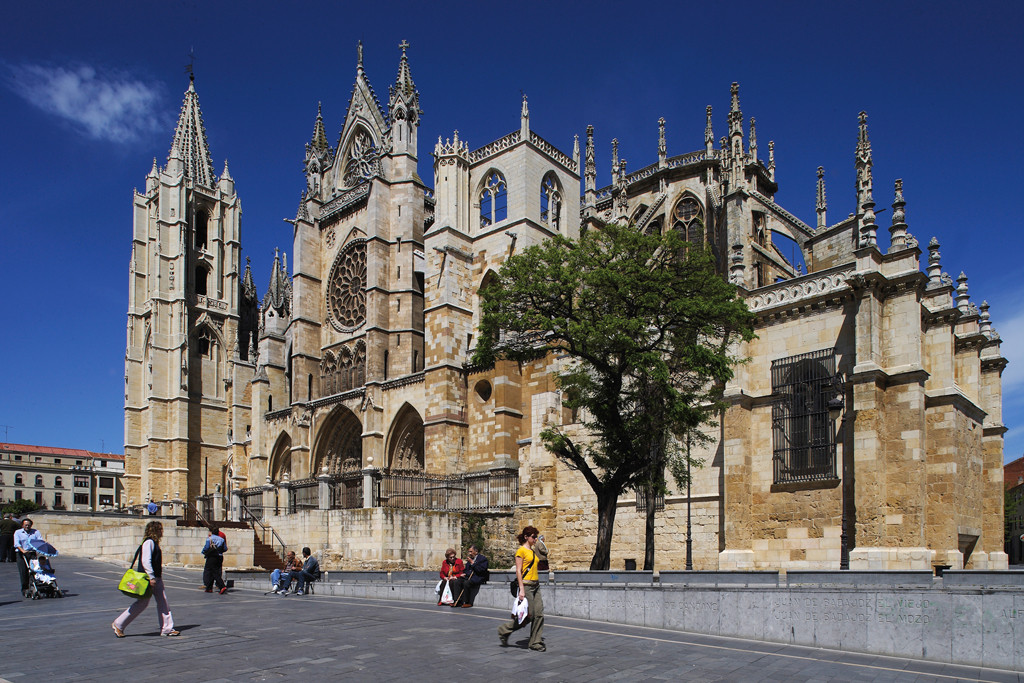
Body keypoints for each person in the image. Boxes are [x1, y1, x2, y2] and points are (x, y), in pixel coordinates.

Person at [112, 521, 179, 637]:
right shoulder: (149, 542)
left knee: (161, 602)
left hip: (155, 578)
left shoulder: (153, 543)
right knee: (144, 603)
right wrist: (152, 577)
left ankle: (167, 628)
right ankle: (119, 624)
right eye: (159, 530)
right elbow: (145, 561)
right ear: (155, 531)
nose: (161, 532)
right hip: (150, 579)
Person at [497, 525, 546, 651]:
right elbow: (518, 571)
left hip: (536, 585)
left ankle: (535, 642)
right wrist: (522, 589)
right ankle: (505, 630)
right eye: (533, 537)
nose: (535, 539)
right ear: (526, 537)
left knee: (539, 614)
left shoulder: (533, 552)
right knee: (529, 616)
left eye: (536, 537)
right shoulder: (521, 551)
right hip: (527, 585)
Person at [13, 518, 41, 597]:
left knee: (34, 570)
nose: (27, 526)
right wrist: (22, 550)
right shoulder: (18, 532)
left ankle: (34, 586)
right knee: (23, 571)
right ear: (22, 525)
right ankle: (25, 588)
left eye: (29, 525)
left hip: (32, 553)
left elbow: (39, 541)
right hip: (21, 554)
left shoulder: (35, 532)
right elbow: (17, 544)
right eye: (25, 525)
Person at [201, 526, 228, 594]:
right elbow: (225, 548)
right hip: (220, 556)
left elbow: (206, 548)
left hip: (212, 557)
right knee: (215, 570)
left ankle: (222, 586)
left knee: (211, 571)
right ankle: (209, 588)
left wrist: (203, 552)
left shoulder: (209, 539)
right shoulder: (221, 539)